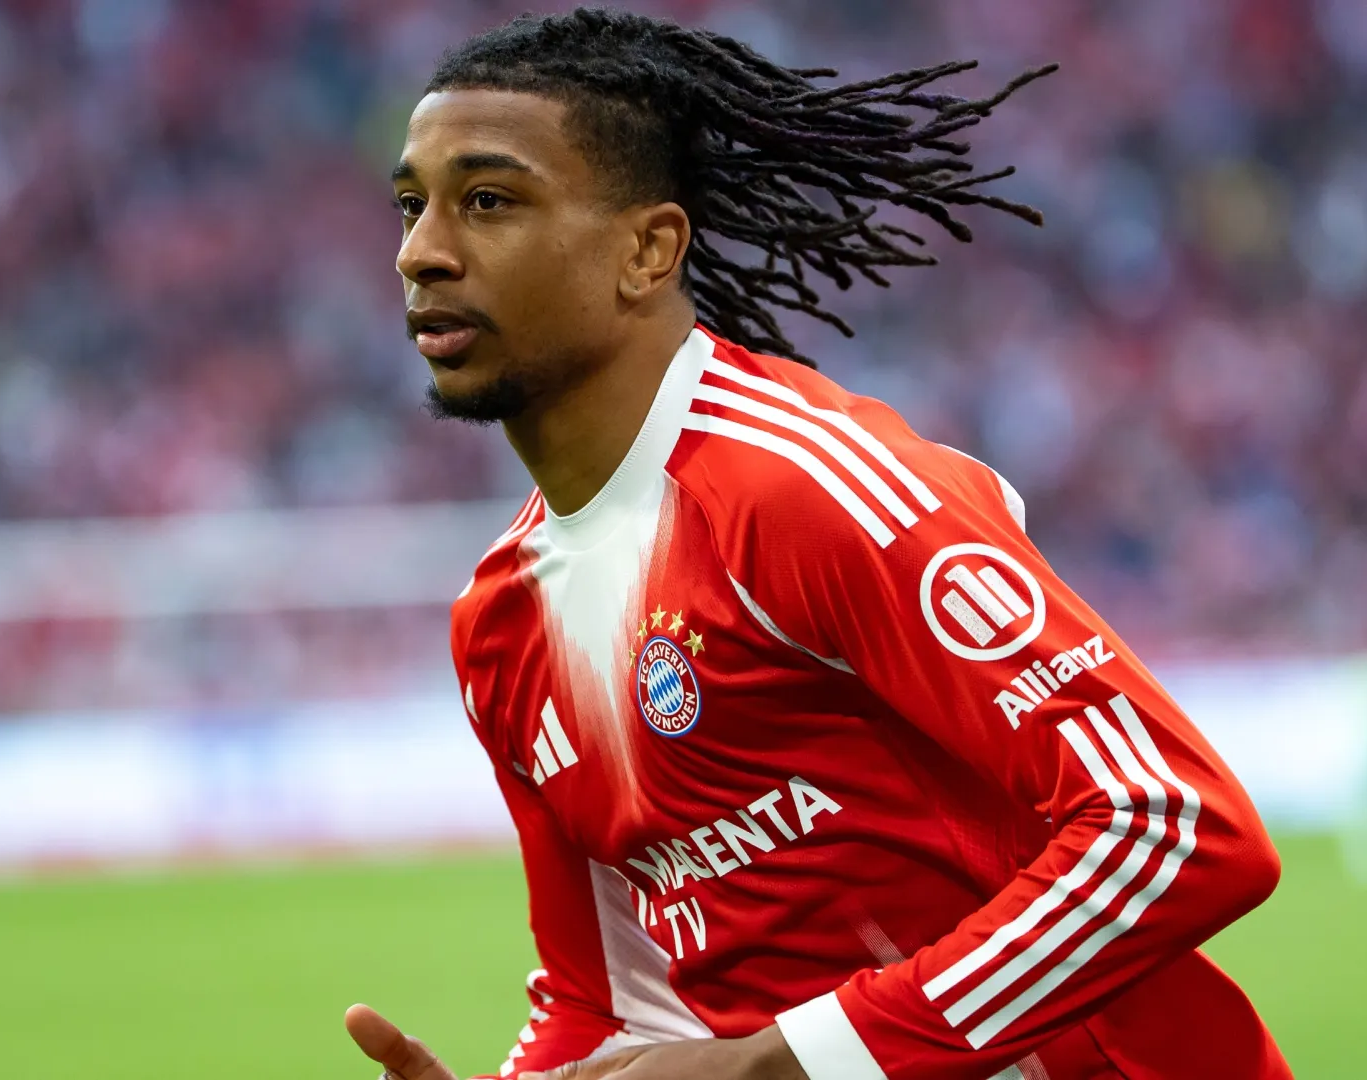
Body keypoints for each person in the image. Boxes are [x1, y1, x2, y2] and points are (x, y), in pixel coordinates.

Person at [348, 10, 1289, 1079]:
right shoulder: (501, 624)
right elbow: (604, 1000)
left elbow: (1175, 827)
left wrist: (781, 1064)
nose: (420, 254)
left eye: (488, 202)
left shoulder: (806, 491)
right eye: (411, 206)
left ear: (647, 250)